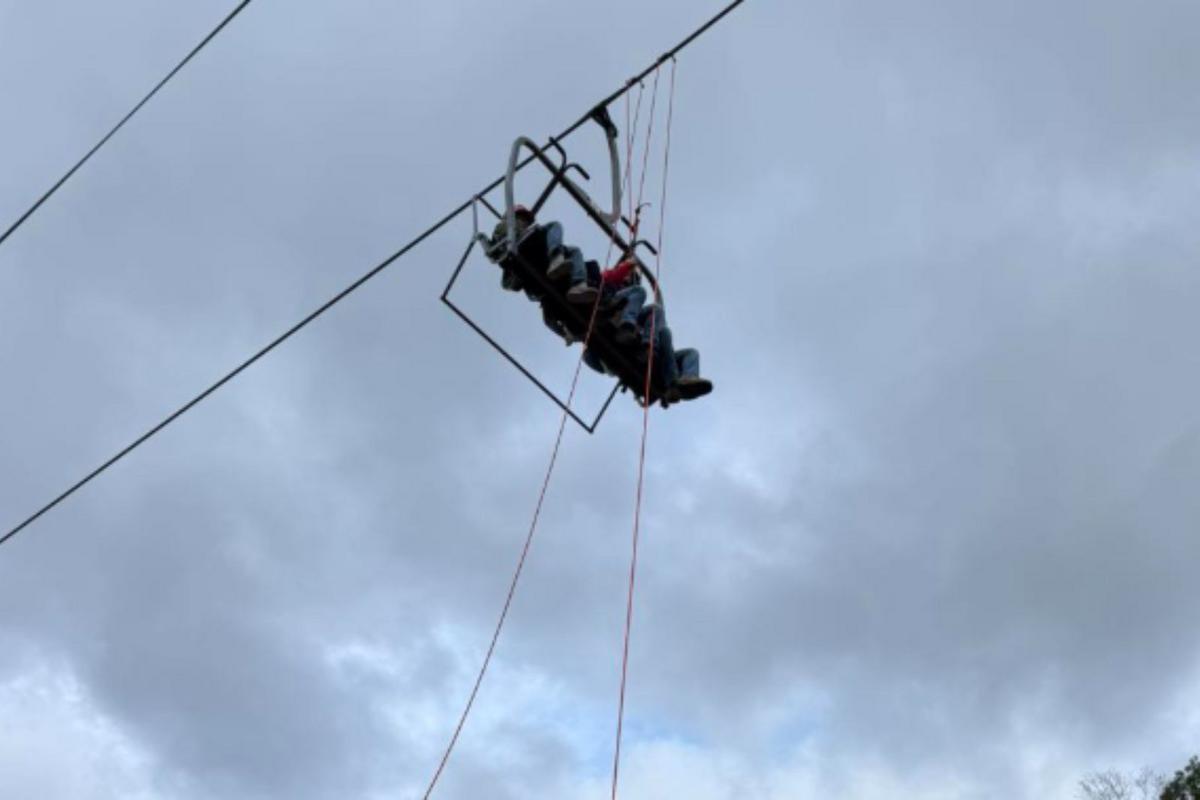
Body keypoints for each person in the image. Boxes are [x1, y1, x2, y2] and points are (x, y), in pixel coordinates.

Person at [486, 206, 596, 305]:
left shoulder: (503, 242)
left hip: (534, 264)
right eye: (523, 217)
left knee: (574, 251)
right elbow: (513, 237)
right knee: (554, 225)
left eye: (527, 220)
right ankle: (557, 258)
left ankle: (577, 285)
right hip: (525, 246)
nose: (526, 221)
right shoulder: (507, 226)